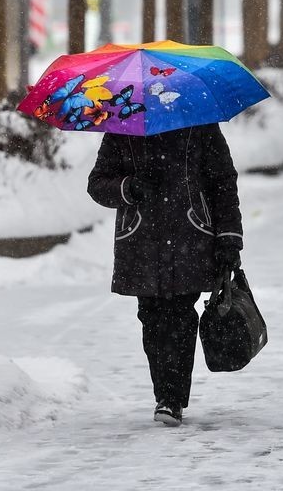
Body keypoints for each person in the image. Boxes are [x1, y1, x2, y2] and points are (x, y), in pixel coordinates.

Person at [87, 123, 243, 426]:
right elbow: (97, 183)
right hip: (141, 239)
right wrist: (129, 187)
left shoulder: (200, 125)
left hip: (191, 235)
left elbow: (223, 183)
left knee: (182, 315)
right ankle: (165, 394)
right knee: (151, 316)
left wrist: (229, 238)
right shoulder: (123, 128)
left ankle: (171, 399)